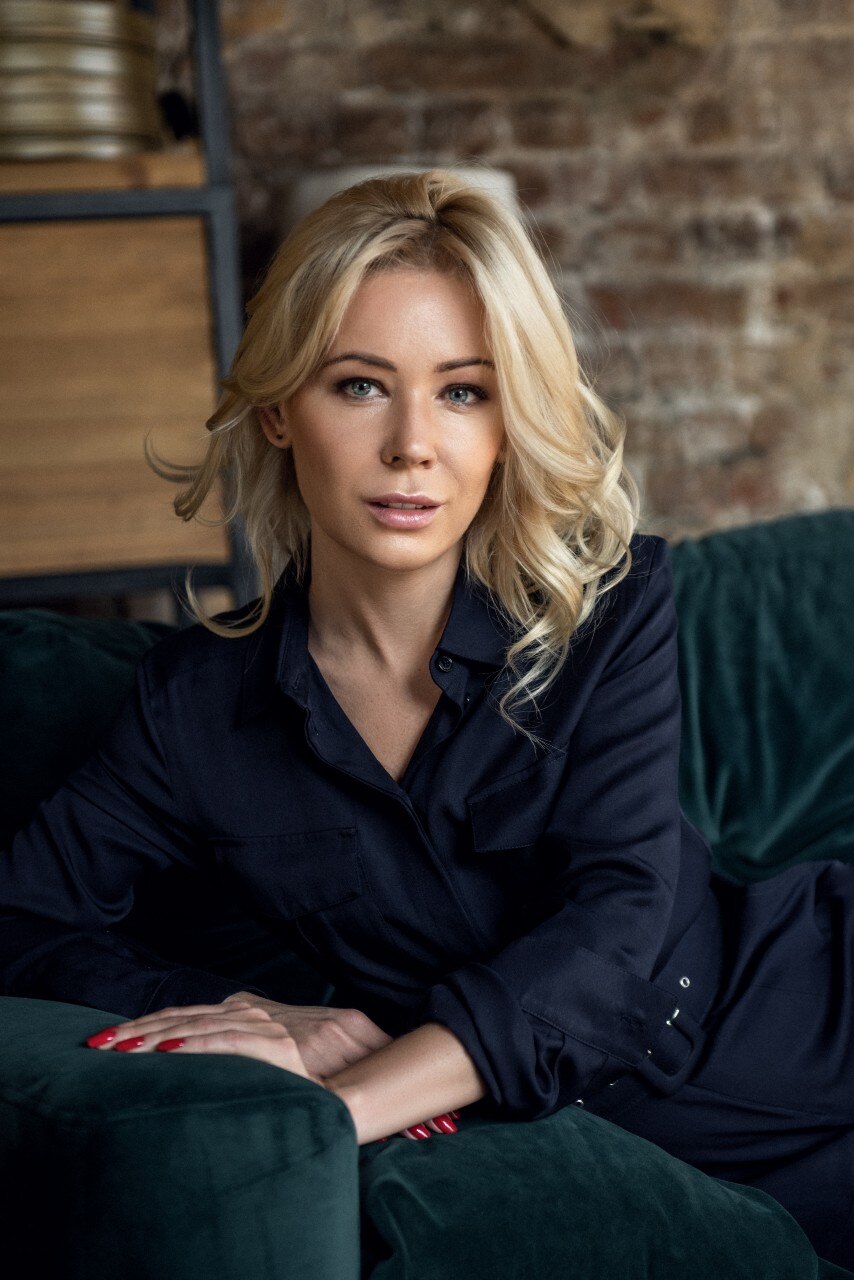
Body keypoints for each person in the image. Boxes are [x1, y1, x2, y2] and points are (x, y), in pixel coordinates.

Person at [1, 168, 853, 1266]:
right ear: (276, 409)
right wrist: (256, 1012)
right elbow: (19, 915)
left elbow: (612, 926)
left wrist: (340, 1108)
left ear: (509, 421)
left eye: (462, 390)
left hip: (801, 1004)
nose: (412, 443)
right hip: (641, 1142)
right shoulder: (198, 710)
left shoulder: (610, 609)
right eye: (359, 385)